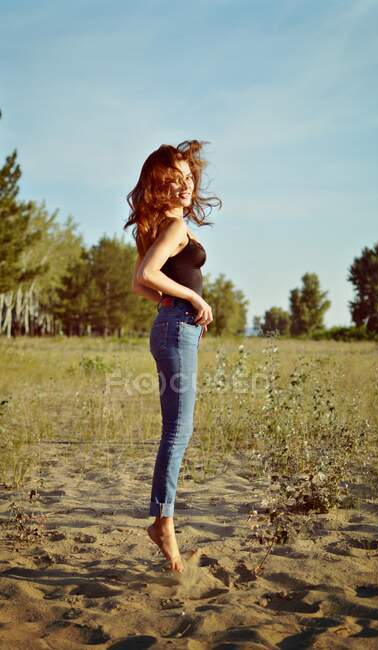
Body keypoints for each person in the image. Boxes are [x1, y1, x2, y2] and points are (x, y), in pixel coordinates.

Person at [124, 140, 222, 572]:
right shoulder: (172, 227)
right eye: (174, 179)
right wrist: (192, 302)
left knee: (179, 427)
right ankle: (163, 521)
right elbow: (146, 275)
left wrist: (173, 305)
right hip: (176, 329)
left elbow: (141, 285)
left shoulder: (169, 223)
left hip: (174, 327)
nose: (185, 185)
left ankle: (165, 522)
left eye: (188, 177)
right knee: (178, 430)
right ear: (160, 185)